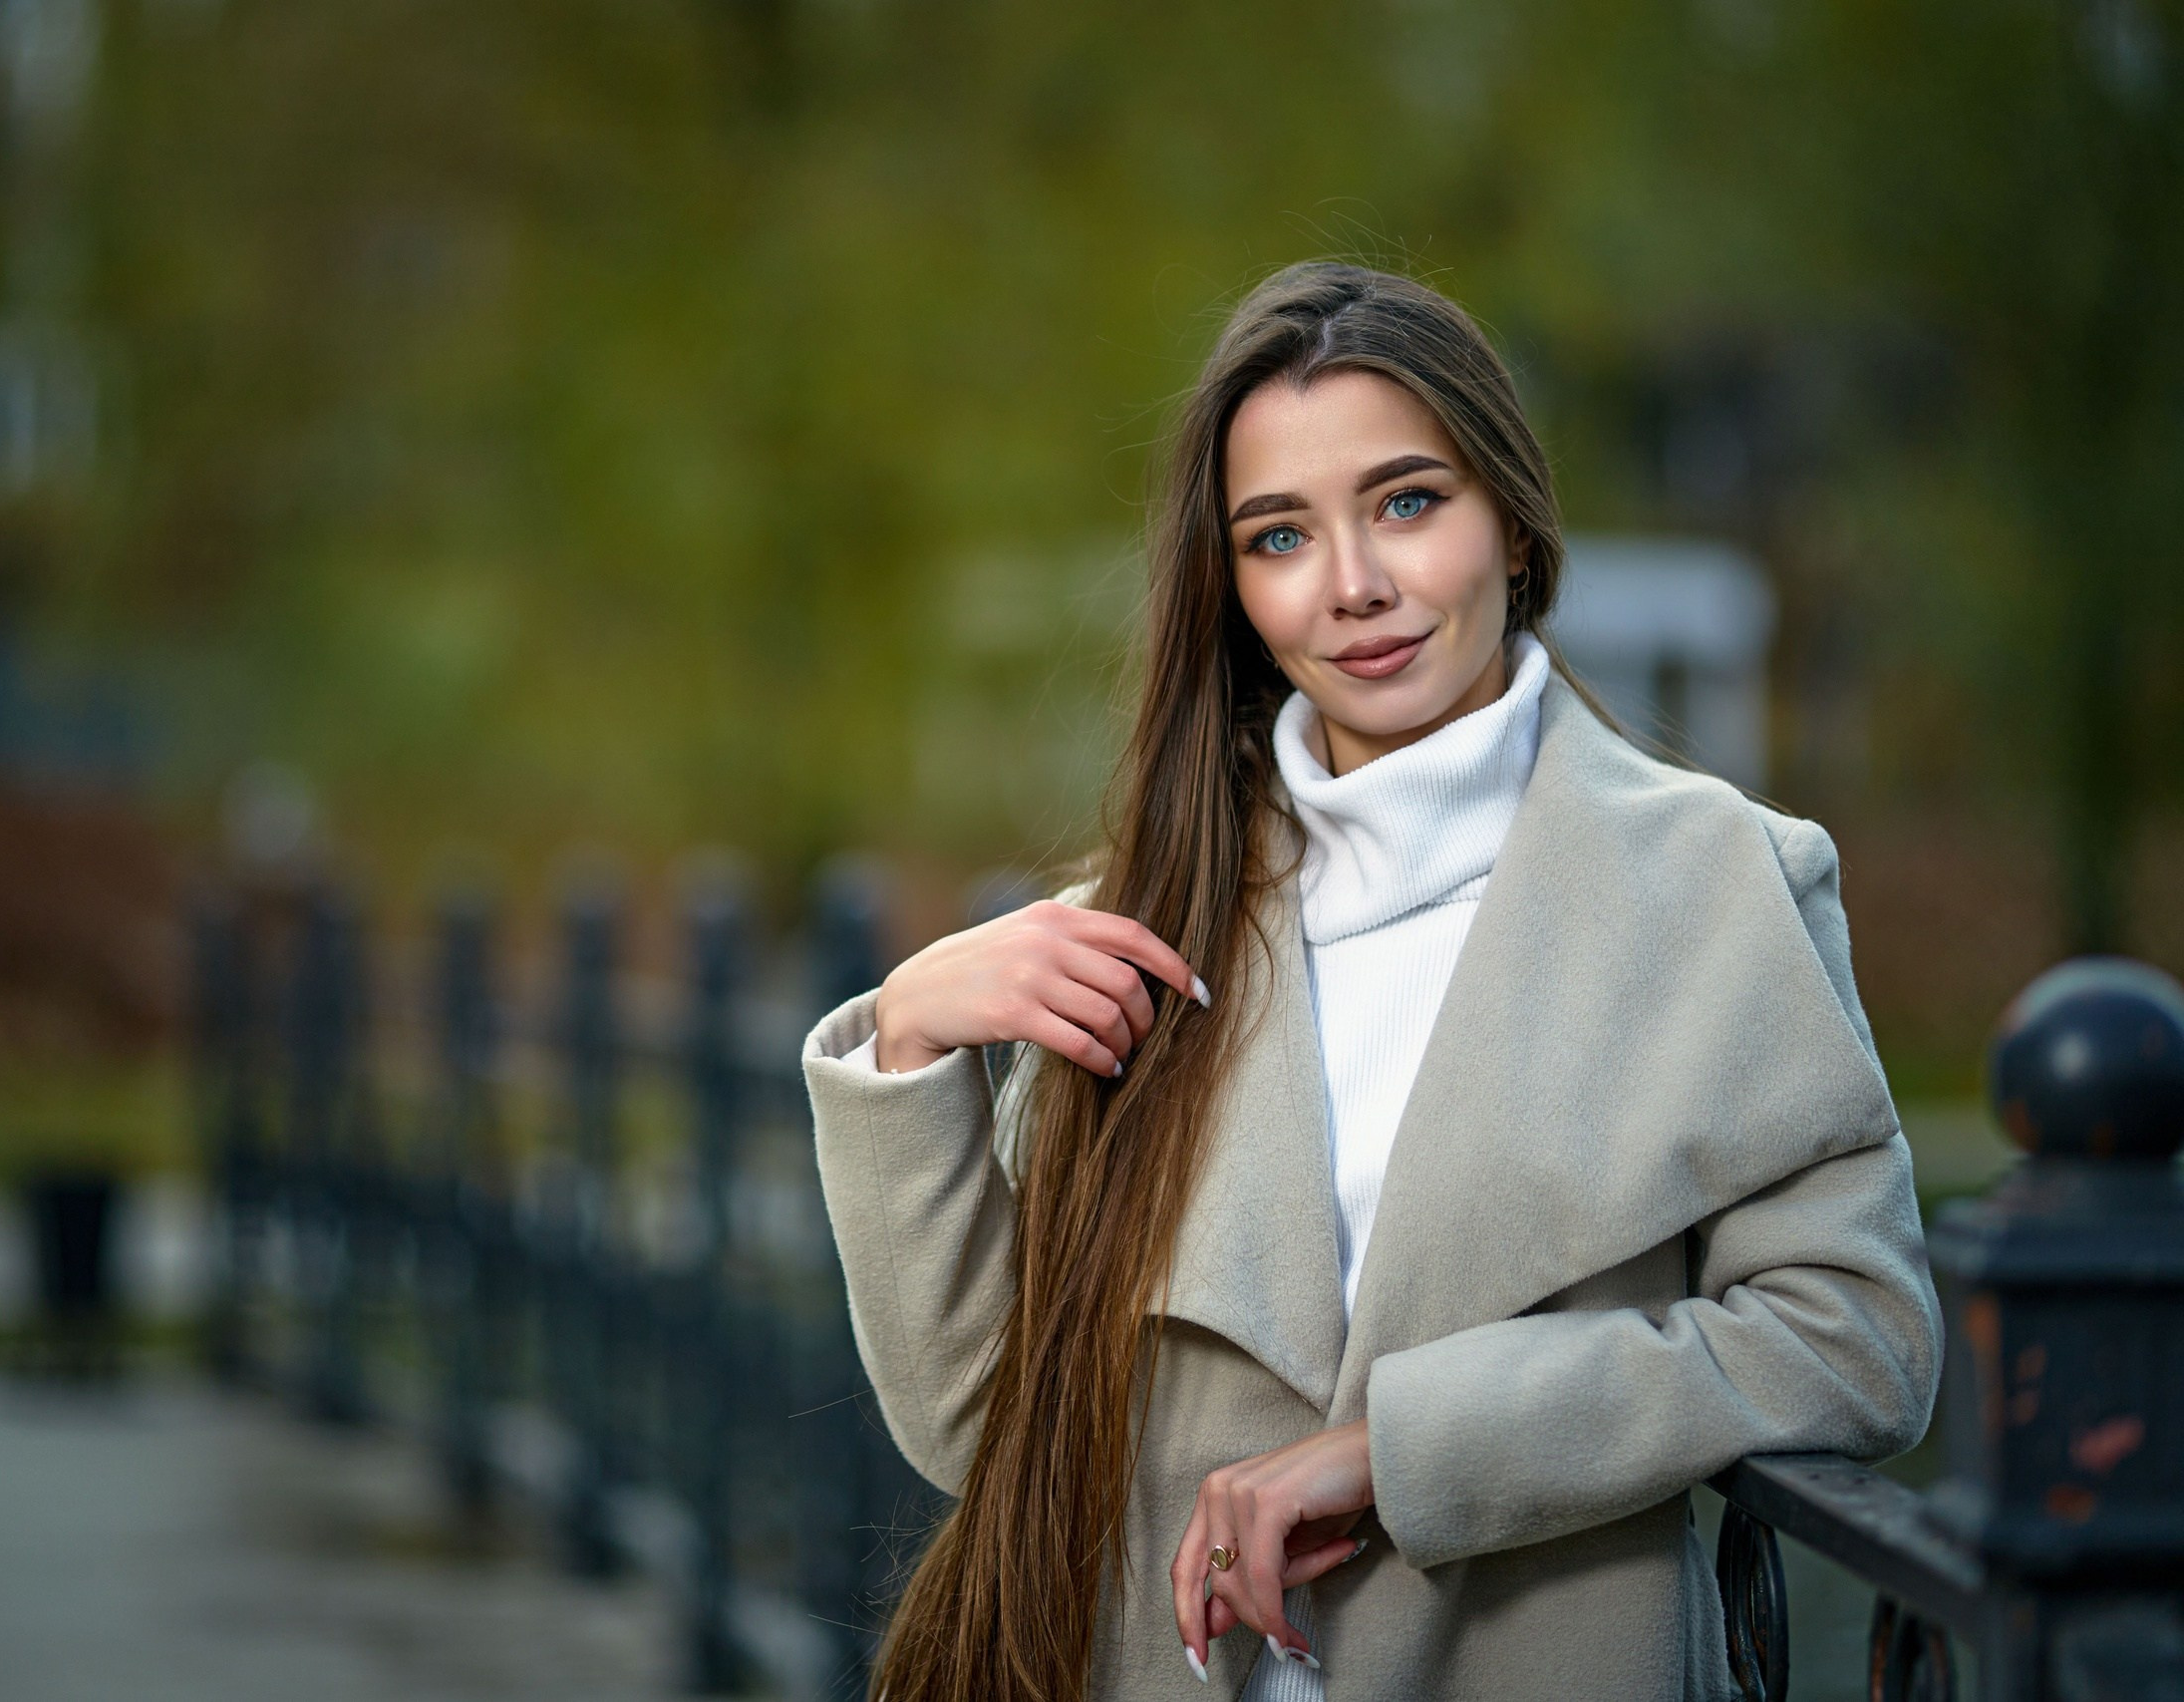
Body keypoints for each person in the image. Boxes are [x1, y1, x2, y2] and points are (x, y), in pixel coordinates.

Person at [798, 260, 1939, 1701]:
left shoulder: (1721, 886)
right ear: (1233, 589)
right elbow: (978, 1426)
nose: (1353, 587)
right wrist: (909, 1045)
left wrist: (1406, 1451)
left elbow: (1860, 1341)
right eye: (1280, 536)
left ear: (1512, 523)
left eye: (1407, 502)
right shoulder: (1141, 931)